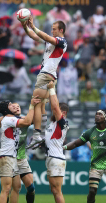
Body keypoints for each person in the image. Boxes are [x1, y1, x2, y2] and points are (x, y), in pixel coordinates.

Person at [20, 17, 67, 149]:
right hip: (50, 75)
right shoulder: (50, 43)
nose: (52, 31)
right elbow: (35, 37)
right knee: (41, 106)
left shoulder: (61, 41)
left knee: (35, 103)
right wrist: (25, 27)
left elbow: (45, 36)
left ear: (61, 30)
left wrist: (34, 26)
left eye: (54, 29)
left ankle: (36, 136)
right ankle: (43, 134)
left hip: (45, 75)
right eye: (51, 29)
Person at [0, 98, 40, 203]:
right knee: (6, 188)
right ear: (6, 109)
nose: (14, 106)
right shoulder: (9, 119)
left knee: (16, 186)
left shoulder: (10, 118)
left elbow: (28, 121)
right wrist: (31, 105)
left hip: (13, 157)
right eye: (10, 105)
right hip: (6, 157)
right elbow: (26, 122)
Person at [43, 81, 69, 203]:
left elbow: (54, 106)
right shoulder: (52, 124)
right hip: (51, 158)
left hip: (56, 158)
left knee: (57, 190)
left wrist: (52, 89)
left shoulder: (63, 122)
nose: (54, 110)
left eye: (58, 110)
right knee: (53, 189)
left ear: (62, 112)